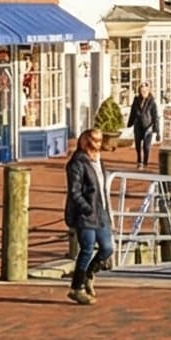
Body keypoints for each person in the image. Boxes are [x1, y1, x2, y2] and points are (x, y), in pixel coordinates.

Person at [65, 129, 111, 306]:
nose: (98, 145)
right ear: (86, 142)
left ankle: (89, 273)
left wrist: (107, 211)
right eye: (95, 141)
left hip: (101, 213)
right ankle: (76, 288)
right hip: (86, 214)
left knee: (107, 248)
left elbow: (101, 188)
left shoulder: (99, 162)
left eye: (100, 141)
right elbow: (74, 191)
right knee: (87, 249)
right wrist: (86, 207)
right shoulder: (77, 163)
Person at [129, 85, 160, 171]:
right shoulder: (136, 101)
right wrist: (130, 123)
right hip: (138, 125)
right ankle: (139, 161)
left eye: (145, 91)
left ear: (148, 91)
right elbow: (132, 112)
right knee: (138, 145)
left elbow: (155, 117)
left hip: (148, 126)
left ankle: (145, 162)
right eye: (142, 91)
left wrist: (157, 131)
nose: (143, 93)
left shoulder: (152, 102)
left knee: (146, 146)